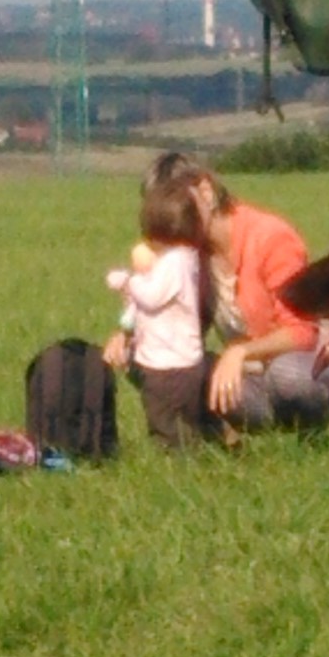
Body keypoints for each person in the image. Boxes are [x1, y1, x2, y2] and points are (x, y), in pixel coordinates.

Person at [102, 153, 329, 435]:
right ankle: (226, 437)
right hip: (252, 373)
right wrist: (129, 335)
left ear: (206, 191)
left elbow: (302, 334)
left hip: (310, 365)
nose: (170, 220)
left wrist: (239, 352)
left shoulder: (271, 237)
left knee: (289, 380)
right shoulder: (187, 256)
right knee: (149, 359)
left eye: (178, 207)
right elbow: (183, 324)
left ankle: (315, 435)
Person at [107, 163, 211, 450]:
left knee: (164, 422)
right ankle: (190, 453)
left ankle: (175, 462)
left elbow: (152, 298)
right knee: (182, 421)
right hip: (180, 360)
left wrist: (128, 282)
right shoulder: (185, 258)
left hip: (169, 364)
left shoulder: (174, 262)